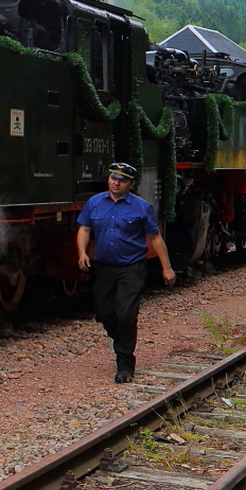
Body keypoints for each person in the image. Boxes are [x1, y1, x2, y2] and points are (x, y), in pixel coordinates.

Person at [76, 162, 176, 383]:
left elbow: (155, 237)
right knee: (104, 314)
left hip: (132, 267)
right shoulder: (94, 203)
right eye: (113, 178)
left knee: (125, 314)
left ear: (130, 184)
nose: (116, 182)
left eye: (121, 180)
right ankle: (121, 340)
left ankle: (124, 365)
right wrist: (82, 252)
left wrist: (166, 267)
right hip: (104, 268)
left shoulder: (141, 207)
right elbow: (84, 228)